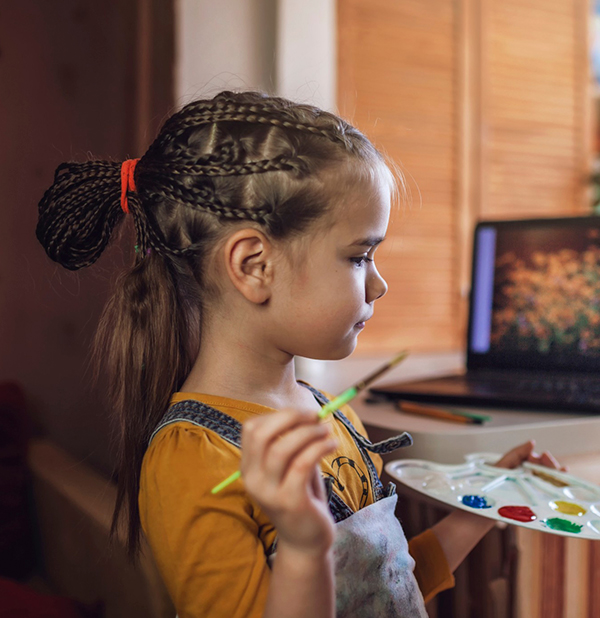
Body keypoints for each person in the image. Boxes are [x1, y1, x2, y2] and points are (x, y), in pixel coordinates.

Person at [36, 91, 563, 618]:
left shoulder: (333, 415)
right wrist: (304, 548)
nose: (378, 285)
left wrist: (489, 501)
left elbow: (385, 589)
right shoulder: (192, 458)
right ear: (254, 265)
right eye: (359, 257)